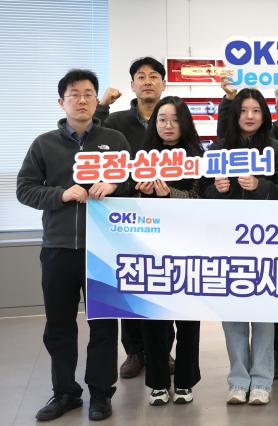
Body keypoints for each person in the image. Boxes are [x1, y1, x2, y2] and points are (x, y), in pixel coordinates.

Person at [17, 69, 130, 421]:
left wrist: (115, 186)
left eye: (88, 94)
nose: (82, 100)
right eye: (74, 94)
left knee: (104, 325)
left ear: (97, 100)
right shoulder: (44, 144)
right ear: (61, 102)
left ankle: (101, 393)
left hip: (104, 250)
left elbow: (133, 181)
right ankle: (65, 392)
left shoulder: (115, 140)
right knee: (59, 326)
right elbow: (25, 189)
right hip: (59, 248)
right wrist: (60, 194)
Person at [203, 88, 278, 406]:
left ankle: (263, 380)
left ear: (264, 115)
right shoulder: (218, 149)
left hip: (266, 242)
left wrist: (260, 185)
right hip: (228, 243)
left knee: (264, 313)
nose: (250, 116)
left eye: (256, 110)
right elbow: (202, 194)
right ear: (234, 115)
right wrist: (217, 189)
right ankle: (238, 381)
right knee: (233, 314)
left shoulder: (277, 149)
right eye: (243, 110)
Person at [95, 56, 171, 378]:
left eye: (154, 76)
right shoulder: (116, 121)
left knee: (163, 283)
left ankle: (162, 352)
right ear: (132, 85)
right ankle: (135, 352)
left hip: (164, 214)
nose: (147, 81)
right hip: (124, 213)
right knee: (129, 282)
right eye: (141, 76)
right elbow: (91, 138)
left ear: (164, 83)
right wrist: (102, 105)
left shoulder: (172, 117)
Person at [137, 96, 203, 406]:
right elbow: (124, 197)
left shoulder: (197, 156)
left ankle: (186, 381)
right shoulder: (142, 157)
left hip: (188, 246)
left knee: (188, 318)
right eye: (162, 119)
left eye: (175, 119)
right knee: (153, 319)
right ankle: (158, 382)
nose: (168, 125)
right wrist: (139, 191)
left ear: (185, 123)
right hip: (149, 247)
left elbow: (201, 199)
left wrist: (169, 193)